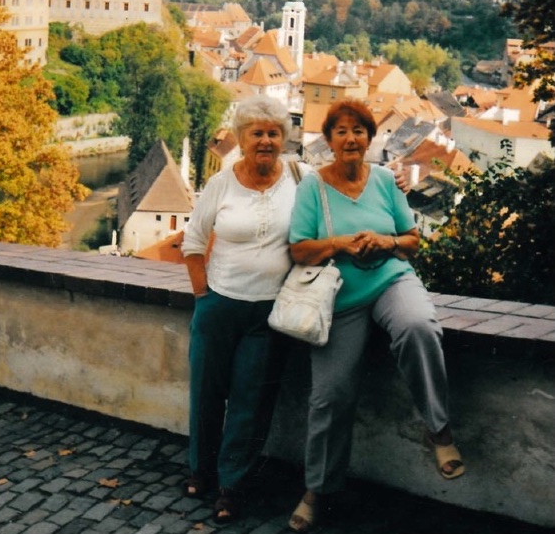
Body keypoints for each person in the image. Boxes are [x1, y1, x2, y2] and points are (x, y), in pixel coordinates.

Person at [287, 98, 465, 533]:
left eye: (359, 130)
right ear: (329, 140)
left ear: (369, 138)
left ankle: (438, 431)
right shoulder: (313, 187)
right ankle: (317, 489)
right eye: (341, 131)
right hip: (340, 297)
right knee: (330, 395)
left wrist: (387, 243)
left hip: (390, 280)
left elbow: (412, 240)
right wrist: (340, 244)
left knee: (418, 326)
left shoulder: (386, 180)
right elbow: (299, 249)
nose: (351, 138)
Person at [181, 94, 300, 523]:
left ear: (284, 139)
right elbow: (193, 243)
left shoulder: (300, 179)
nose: (265, 141)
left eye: (273, 133)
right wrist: (204, 296)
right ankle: (201, 469)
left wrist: (392, 183)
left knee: (251, 402)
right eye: (256, 133)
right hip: (219, 306)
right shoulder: (221, 184)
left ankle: (232, 484)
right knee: (206, 393)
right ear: (241, 138)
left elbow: (343, 185)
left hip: (269, 314)